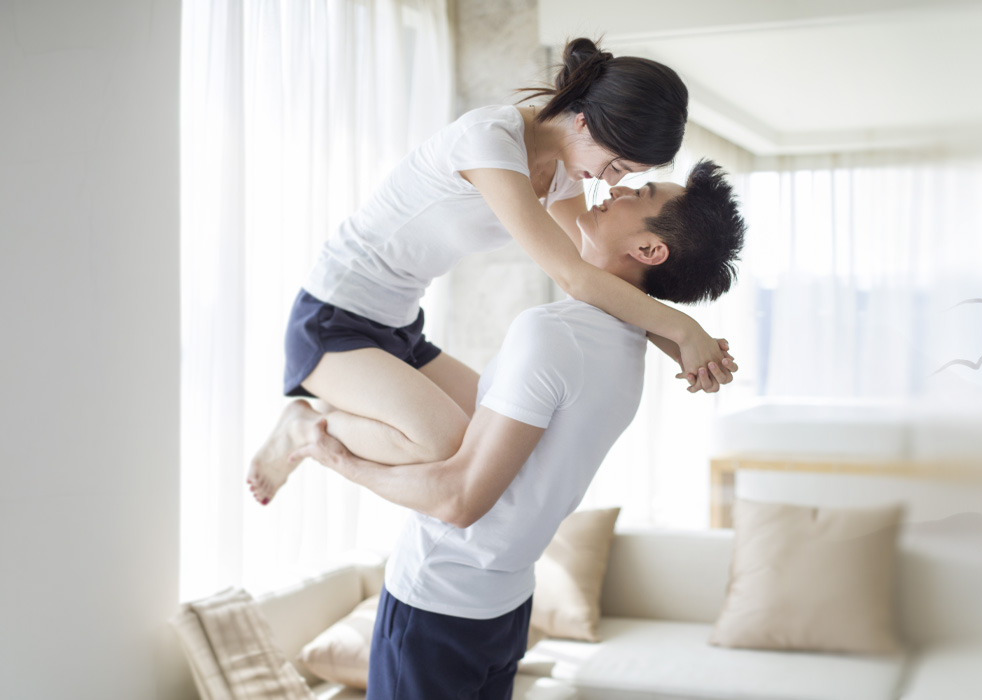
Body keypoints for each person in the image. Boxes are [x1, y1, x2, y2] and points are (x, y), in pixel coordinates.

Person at [290, 159, 746, 700]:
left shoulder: (552, 334)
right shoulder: (628, 354)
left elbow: (458, 500)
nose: (618, 188)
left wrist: (336, 458)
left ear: (649, 250)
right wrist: (682, 331)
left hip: (436, 605)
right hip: (506, 606)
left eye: (640, 193)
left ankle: (304, 424)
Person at [246, 38, 738, 505]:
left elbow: (594, 269)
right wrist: (683, 327)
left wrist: (679, 347)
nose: (611, 184)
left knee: (486, 433)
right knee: (443, 442)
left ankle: (335, 412)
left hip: (397, 327)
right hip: (333, 318)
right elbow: (571, 276)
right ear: (584, 123)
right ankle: (303, 428)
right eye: (617, 167)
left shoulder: (562, 168)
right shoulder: (490, 141)